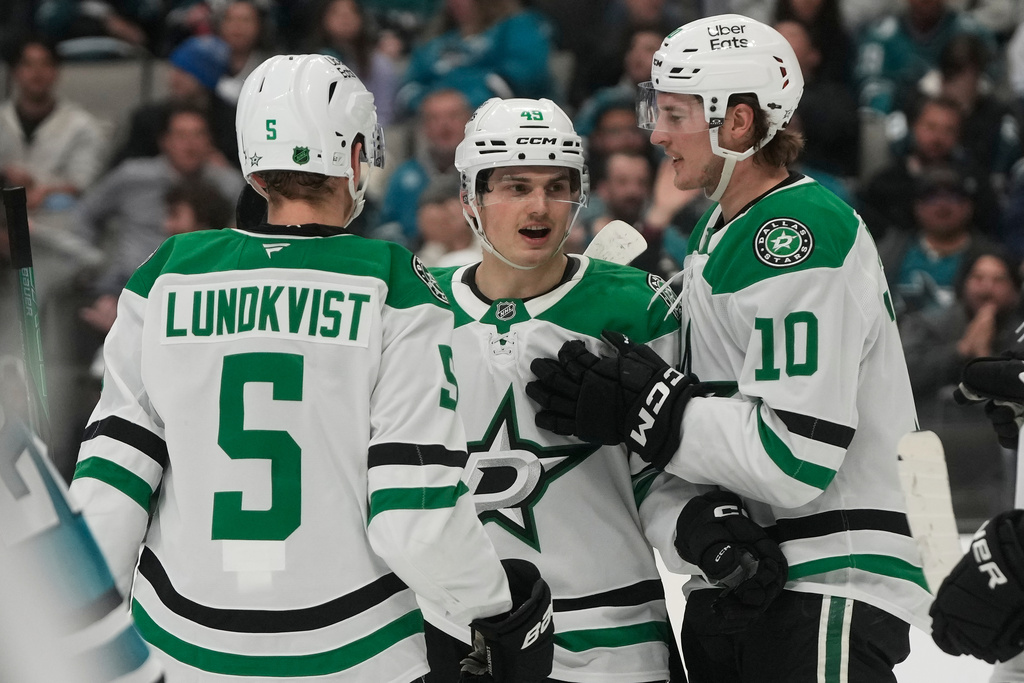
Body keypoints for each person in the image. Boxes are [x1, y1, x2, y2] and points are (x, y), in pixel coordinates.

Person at [66, 54, 554, 682]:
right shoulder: (393, 283)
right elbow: (414, 518)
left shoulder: (169, 273)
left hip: (181, 647)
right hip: (358, 650)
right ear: (355, 158)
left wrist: (77, 626)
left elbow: (113, 484)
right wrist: (493, 607)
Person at [528, 14, 931, 682]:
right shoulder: (723, 231)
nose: (656, 132)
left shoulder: (795, 233)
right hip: (752, 579)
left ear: (738, 122)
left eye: (676, 112)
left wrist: (648, 406)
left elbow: (794, 453)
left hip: (827, 583)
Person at [421, 95, 697, 683]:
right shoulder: (416, 310)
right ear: (471, 195)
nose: (539, 206)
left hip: (613, 635)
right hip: (455, 633)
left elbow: (670, 477)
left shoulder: (637, 305)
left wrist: (706, 532)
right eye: (515, 186)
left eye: (557, 185)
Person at [900, 247, 1023, 529]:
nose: (987, 289)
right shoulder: (927, 324)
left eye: (999, 279)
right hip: (932, 447)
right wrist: (960, 353)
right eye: (978, 278)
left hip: (999, 464)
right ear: (963, 284)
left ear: (1015, 291)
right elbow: (902, 375)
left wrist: (992, 366)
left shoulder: (1021, 333)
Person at [0, 36, 108, 212]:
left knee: (62, 202)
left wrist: (43, 189)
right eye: (28, 64)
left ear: (56, 71)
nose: (37, 72)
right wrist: (5, 174)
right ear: (15, 72)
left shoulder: (83, 126)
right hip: (4, 212)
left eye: (45, 64)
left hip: (55, 215)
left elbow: (83, 184)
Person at [877, 164, 997, 318]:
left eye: (953, 196)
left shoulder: (990, 258)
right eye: (931, 196)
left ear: (968, 207)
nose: (942, 205)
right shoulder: (889, 250)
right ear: (917, 206)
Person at [376, 88, 472, 247]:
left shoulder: (485, 174)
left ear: (469, 122)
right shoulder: (403, 177)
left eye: (453, 116)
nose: (444, 125)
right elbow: (384, 230)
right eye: (434, 118)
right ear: (423, 127)